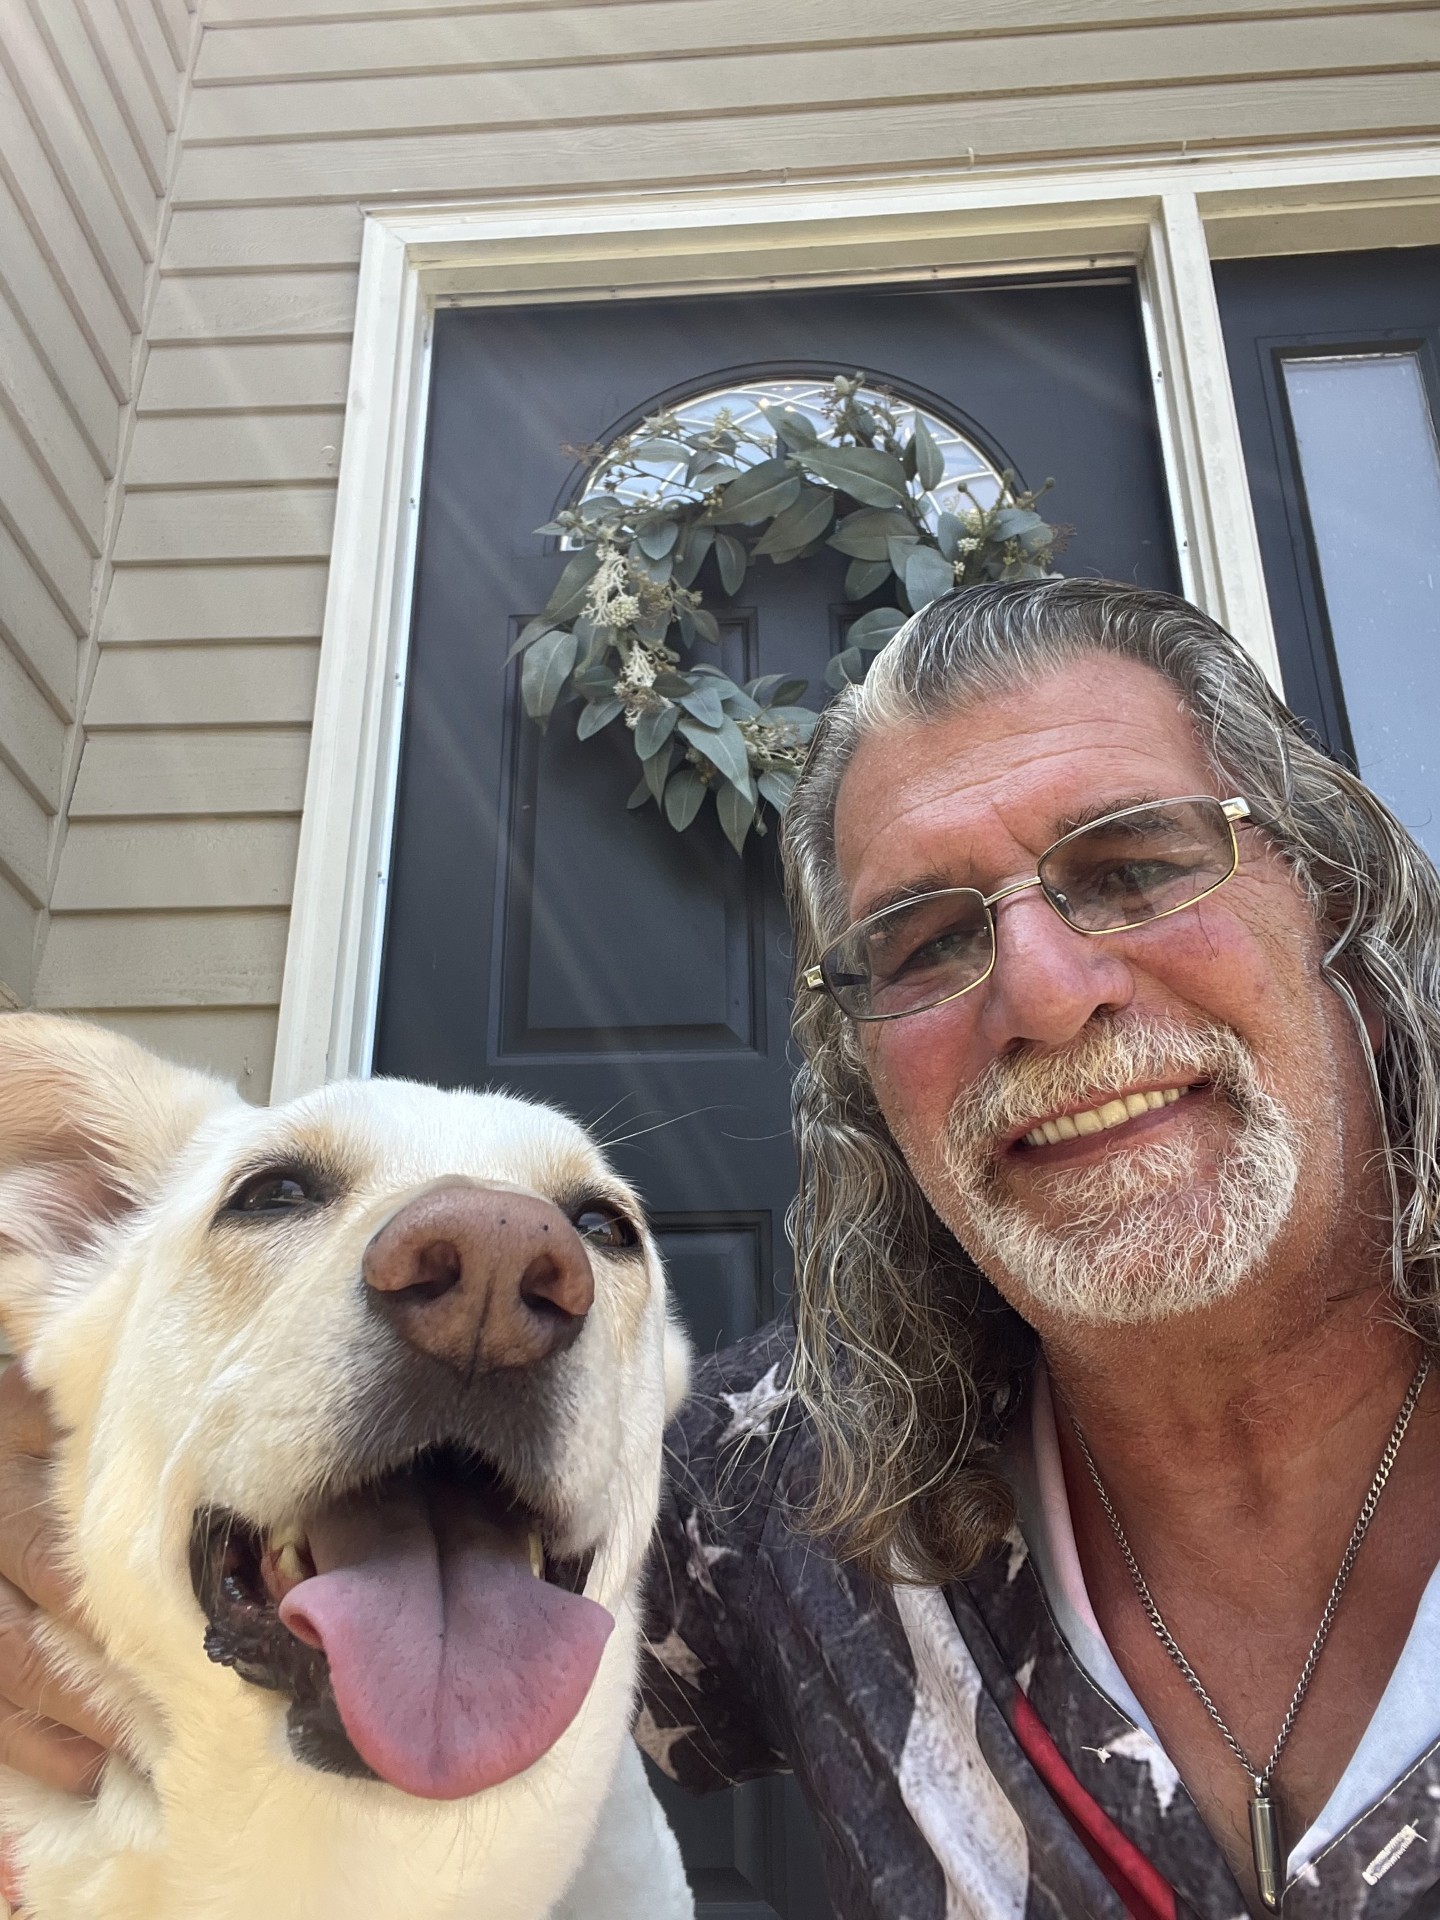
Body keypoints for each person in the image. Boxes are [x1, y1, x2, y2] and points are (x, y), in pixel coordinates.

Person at [1, 580, 1438, 1918]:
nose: (1049, 996)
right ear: (870, 1088)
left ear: (1342, 917)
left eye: (1132, 868)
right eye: (926, 943)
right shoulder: (785, 1487)